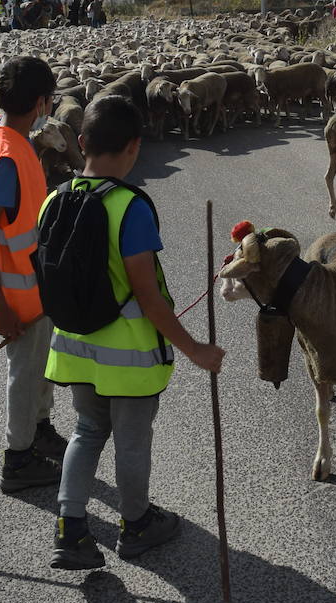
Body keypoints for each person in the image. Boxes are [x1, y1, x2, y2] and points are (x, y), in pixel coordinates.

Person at [47, 95, 225, 571]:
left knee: (85, 431)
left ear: (81, 142)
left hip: (74, 349)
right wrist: (195, 350)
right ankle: (137, 524)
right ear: (134, 147)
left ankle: (70, 529)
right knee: (130, 442)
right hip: (127, 360)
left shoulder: (53, 199)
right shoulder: (129, 208)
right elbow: (148, 297)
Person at [0, 56, 69, 492]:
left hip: (36, 286)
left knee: (41, 367)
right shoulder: (9, 155)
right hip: (18, 296)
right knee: (26, 373)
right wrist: (0, 309)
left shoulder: (1, 133)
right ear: (42, 102)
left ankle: (40, 428)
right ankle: (18, 458)